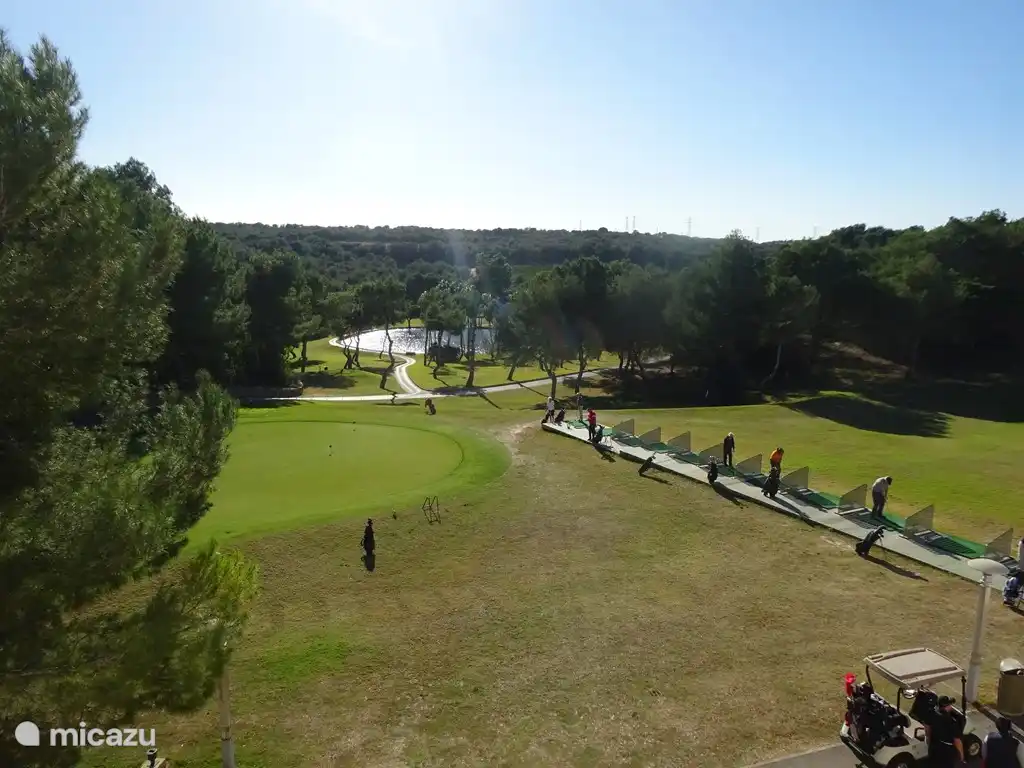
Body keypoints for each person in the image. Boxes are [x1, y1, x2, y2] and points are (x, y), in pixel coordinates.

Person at [925, 695, 965, 768]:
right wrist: (961, 755)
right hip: (946, 750)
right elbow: (957, 740)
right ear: (947, 706)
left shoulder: (932, 714)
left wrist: (928, 738)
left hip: (934, 746)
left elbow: (927, 727)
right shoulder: (951, 721)